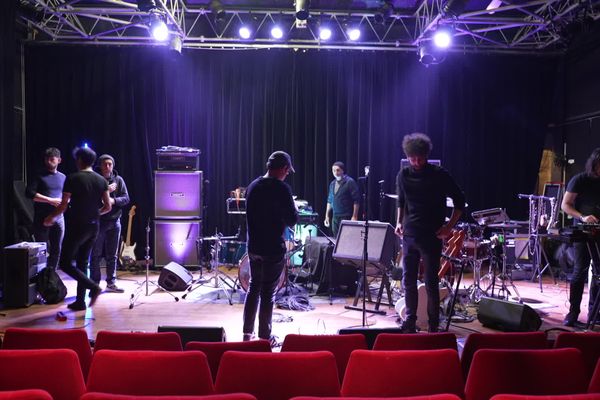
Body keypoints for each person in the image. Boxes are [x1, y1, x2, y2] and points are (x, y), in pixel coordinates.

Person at [395, 133, 465, 333]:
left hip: (431, 236)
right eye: (412, 158)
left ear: (426, 155)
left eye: (419, 157)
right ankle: (410, 320)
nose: (416, 162)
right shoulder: (403, 175)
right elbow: (401, 201)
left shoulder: (439, 174)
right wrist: (398, 222)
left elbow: (460, 202)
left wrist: (449, 227)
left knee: (431, 281)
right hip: (409, 235)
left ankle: (434, 324)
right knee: (408, 280)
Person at [44, 146, 111, 311]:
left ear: (79, 160)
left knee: (65, 263)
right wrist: (95, 214)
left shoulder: (72, 178)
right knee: (82, 262)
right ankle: (80, 301)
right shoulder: (101, 180)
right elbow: (108, 206)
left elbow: (64, 205)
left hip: (77, 226)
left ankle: (93, 287)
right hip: (94, 227)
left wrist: (51, 217)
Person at [243, 151, 298, 346]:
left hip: (254, 247)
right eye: (287, 171)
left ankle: (246, 336)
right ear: (283, 169)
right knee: (268, 293)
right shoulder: (282, 189)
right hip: (273, 248)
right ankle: (265, 338)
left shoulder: (253, 186)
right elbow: (292, 220)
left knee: (253, 289)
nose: (287, 174)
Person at [561, 147, 600, 327]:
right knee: (580, 270)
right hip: (584, 229)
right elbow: (565, 205)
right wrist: (583, 217)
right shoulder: (580, 180)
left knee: (599, 273)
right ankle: (573, 312)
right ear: (594, 164)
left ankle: (594, 311)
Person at [90, 154, 130, 293]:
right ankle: (94, 284)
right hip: (99, 222)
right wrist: (106, 190)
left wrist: (114, 201)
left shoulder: (118, 180)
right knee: (95, 254)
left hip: (115, 222)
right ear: (100, 166)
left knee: (112, 255)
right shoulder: (95, 179)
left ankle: (111, 282)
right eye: (105, 164)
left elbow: (126, 198)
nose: (108, 167)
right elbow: (90, 198)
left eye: (110, 164)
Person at [26, 147, 66, 269]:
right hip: (41, 217)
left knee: (57, 249)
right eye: (47, 159)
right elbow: (29, 193)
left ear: (59, 160)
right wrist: (50, 200)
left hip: (59, 217)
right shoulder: (39, 176)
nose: (49, 161)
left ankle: (51, 277)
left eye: (52, 159)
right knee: (41, 249)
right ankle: (40, 278)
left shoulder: (63, 177)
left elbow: (68, 195)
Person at [324, 161, 361, 237]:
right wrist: (327, 216)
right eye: (334, 170)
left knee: (345, 239)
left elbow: (356, 200)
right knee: (336, 239)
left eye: (338, 170)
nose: (335, 172)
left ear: (342, 170)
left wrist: (354, 216)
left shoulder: (349, 182)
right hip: (335, 217)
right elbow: (329, 201)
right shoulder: (332, 184)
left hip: (346, 216)